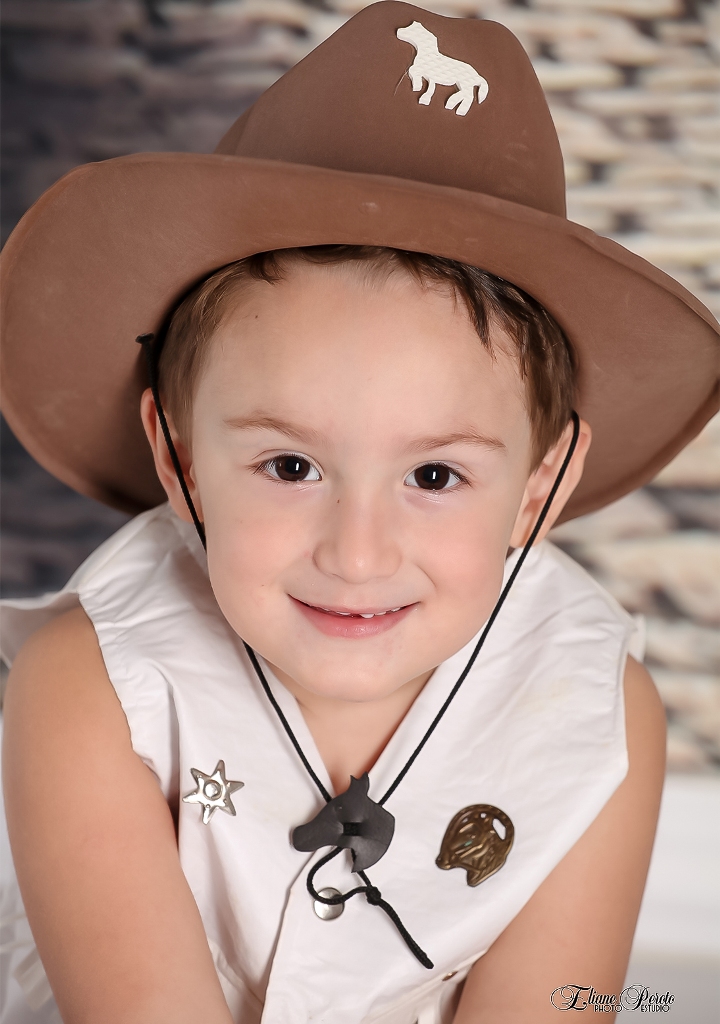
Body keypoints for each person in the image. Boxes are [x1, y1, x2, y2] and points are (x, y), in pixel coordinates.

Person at [1, 4, 718, 1022]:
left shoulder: (594, 714)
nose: (357, 552)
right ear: (181, 458)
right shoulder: (94, 687)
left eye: (435, 476)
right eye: (291, 464)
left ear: (540, 486)